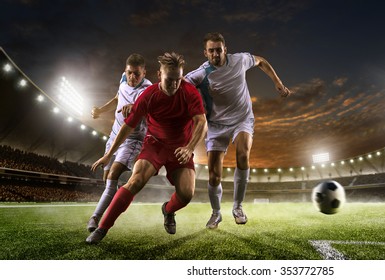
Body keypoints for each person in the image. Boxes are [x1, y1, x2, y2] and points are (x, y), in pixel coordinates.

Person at [86, 51, 207, 244]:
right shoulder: (148, 95)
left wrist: (190, 147)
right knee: (135, 181)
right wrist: (108, 155)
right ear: (160, 75)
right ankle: (102, 229)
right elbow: (128, 126)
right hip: (155, 145)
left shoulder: (189, 92)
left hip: (180, 149)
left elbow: (201, 122)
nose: (175, 84)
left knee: (186, 194)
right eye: (170, 80)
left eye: (178, 79)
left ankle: (167, 210)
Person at [185, 32, 291, 229]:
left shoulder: (240, 60)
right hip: (216, 125)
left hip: (242, 119)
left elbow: (261, 62)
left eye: (219, 49)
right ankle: (216, 214)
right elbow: (180, 86)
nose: (215, 54)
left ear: (225, 49)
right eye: (211, 51)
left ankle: (238, 207)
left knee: (243, 154)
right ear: (205, 53)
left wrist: (277, 82)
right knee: (214, 175)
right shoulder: (201, 73)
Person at [87, 53, 152, 232]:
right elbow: (117, 98)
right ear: (125, 71)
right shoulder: (123, 79)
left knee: (112, 175)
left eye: (137, 74)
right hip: (114, 135)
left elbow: (151, 113)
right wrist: (100, 110)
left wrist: (137, 108)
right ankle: (117, 201)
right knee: (107, 180)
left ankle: (96, 218)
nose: (132, 77)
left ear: (144, 73)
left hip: (132, 139)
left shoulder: (147, 90)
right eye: (130, 72)